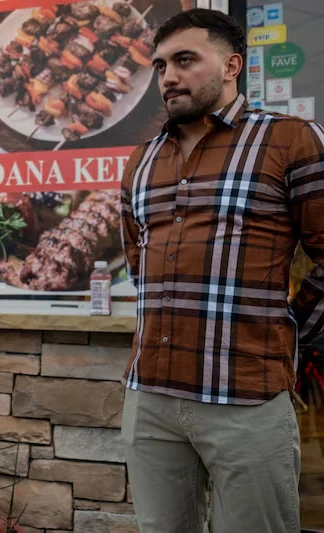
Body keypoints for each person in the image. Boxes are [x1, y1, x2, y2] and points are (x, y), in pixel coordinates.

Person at [120, 9, 324, 533]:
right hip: (152, 402)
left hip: (246, 399)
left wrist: (288, 332)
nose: (168, 76)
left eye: (186, 60)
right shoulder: (141, 160)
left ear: (232, 65)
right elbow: (140, 265)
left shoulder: (289, 140)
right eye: (161, 64)